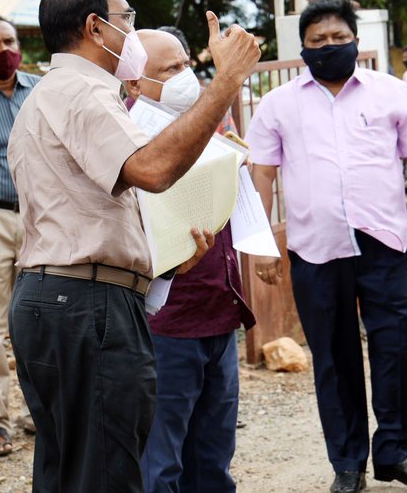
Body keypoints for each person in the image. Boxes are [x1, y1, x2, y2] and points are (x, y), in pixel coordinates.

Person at [7, 0, 259, 492]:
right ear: (97, 27)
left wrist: (163, 258)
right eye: (127, 16)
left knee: (72, 471)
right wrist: (225, 82)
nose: (133, 27)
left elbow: (86, 211)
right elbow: (151, 169)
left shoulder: (47, 96)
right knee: (107, 472)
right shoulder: (83, 90)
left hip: (58, 298)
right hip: (86, 305)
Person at [247, 0, 407, 493]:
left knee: (396, 349)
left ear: (356, 40)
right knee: (334, 358)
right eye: (317, 41)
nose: (329, 47)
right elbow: (262, 173)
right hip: (316, 249)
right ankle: (348, 463)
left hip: (385, 243)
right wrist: (263, 242)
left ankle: (396, 451)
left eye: (338, 38)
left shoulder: (390, 92)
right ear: (303, 47)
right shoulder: (278, 104)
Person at [126, 29, 256, 493]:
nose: (186, 77)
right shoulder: (131, 140)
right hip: (167, 324)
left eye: (187, 65)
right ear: (134, 84)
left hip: (219, 311)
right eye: (170, 70)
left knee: (214, 458)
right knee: (162, 463)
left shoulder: (206, 125)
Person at [0, 15, 39, 456]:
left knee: (40, 320)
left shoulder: (39, 91)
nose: (4, 50)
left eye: (9, 41)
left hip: (40, 217)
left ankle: (39, 413)